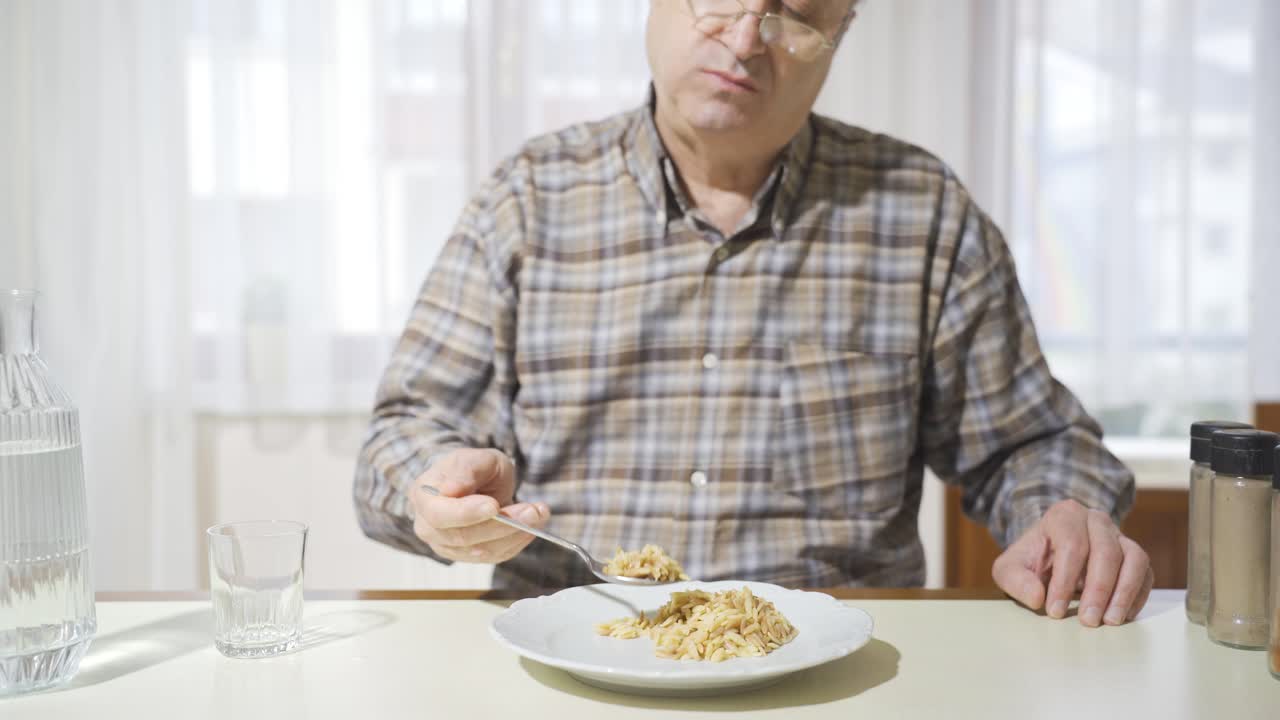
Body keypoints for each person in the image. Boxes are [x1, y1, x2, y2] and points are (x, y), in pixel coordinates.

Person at [354, 0, 1153, 627]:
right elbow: (399, 437)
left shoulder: (920, 211)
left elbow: (1029, 444)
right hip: (574, 662)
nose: (744, 39)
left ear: (841, 30)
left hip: (833, 677)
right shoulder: (528, 199)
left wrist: (1063, 514)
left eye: (795, 14)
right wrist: (434, 492)